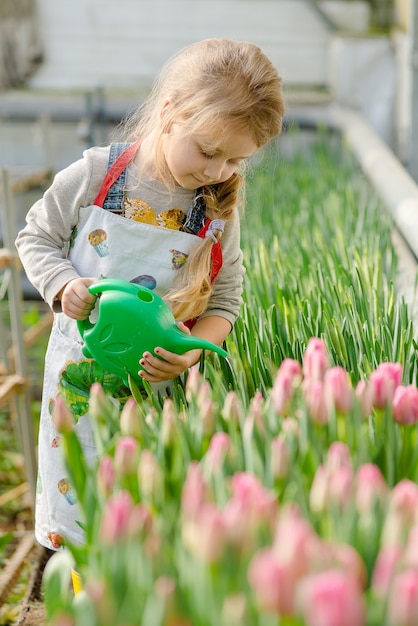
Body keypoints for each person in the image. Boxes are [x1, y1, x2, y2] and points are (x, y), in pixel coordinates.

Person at [15, 38, 285, 551]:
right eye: (208, 152)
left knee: (146, 514)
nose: (218, 172)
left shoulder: (216, 211)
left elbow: (226, 300)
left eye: (236, 160)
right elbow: (36, 237)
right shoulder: (96, 175)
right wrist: (62, 284)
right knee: (80, 504)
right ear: (169, 113)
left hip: (160, 392)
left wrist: (189, 351)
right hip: (80, 383)